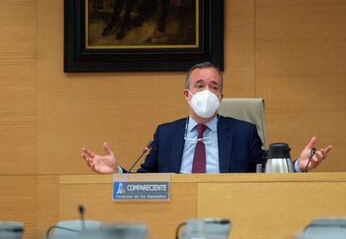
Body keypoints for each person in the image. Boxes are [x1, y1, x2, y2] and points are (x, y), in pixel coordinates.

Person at [81, 62, 332, 174]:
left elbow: (265, 170)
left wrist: (298, 164)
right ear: (187, 94)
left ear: (221, 96)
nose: (206, 92)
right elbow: (146, 181)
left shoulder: (243, 132)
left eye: (213, 87)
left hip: (230, 211)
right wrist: (117, 171)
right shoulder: (165, 134)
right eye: (199, 85)